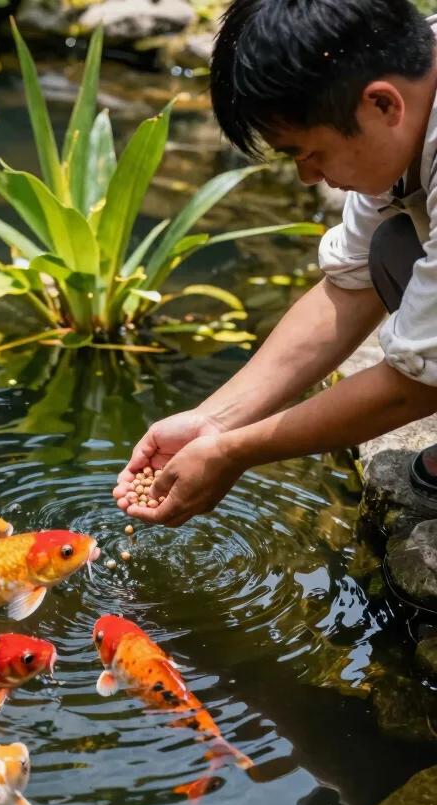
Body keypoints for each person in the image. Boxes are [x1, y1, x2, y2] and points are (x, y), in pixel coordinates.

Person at [113, 0, 437, 527]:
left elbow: (418, 382)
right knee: (392, 250)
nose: (309, 178)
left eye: (309, 153)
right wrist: (212, 422)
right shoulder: (397, 81)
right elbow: (349, 286)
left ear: (383, 105)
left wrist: (232, 453)